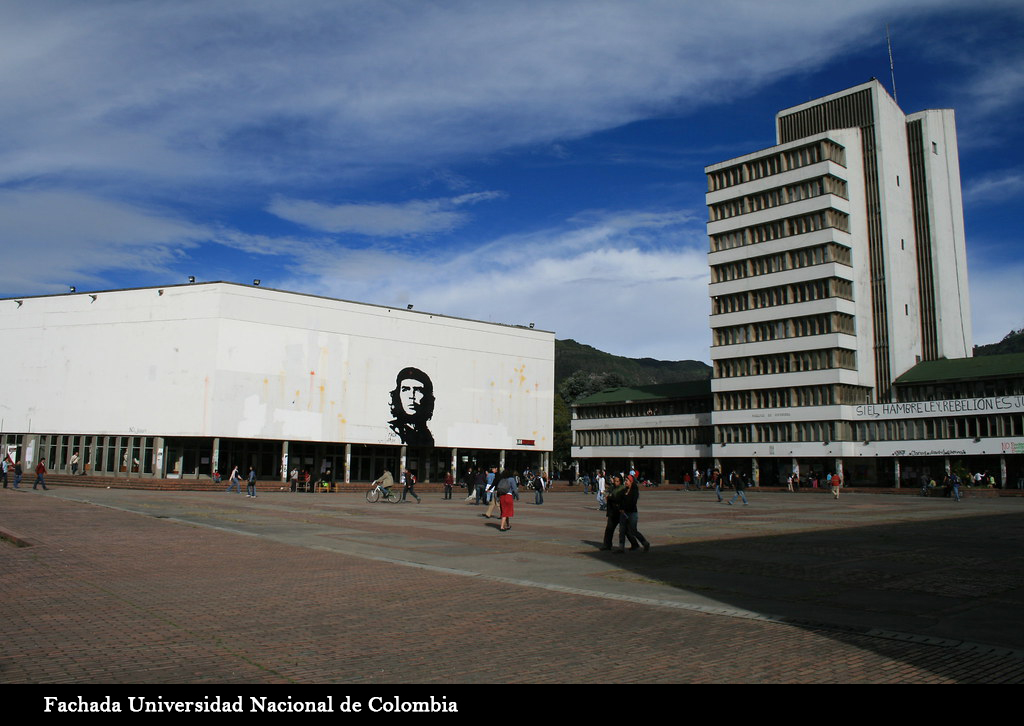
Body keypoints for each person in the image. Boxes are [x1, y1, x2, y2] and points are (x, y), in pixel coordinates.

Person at [387, 367, 435, 447]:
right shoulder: (390, 430)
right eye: (405, 390)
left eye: (418, 390)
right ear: (398, 395)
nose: (411, 396)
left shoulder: (427, 435)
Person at [601, 475, 637, 551]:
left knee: (626, 530)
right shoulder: (612, 488)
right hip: (612, 512)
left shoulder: (622, 489)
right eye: (614, 481)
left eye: (617, 481)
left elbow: (618, 498)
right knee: (609, 529)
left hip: (619, 512)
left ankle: (635, 544)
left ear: (620, 481)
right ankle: (607, 545)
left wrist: (610, 497)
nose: (615, 482)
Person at [619, 475, 651, 552]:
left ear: (631, 481)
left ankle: (645, 543)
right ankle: (621, 548)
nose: (625, 482)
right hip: (623, 513)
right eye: (625, 480)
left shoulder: (634, 491)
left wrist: (625, 508)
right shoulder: (624, 490)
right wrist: (621, 508)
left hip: (632, 513)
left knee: (633, 531)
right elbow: (621, 501)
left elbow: (633, 503)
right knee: (622, 530)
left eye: (627, 480)